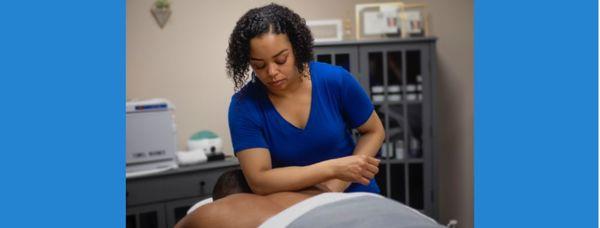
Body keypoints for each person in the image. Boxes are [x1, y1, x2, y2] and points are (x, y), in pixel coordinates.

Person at [226, 3, 385, 195]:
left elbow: (374, 131)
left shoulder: (335, 80)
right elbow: (260, 181)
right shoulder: (244, 106)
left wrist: (339, 182)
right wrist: (332, 170)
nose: (272, 72)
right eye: (259, 65)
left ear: (296, 48)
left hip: (354, 191)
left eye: (281, 60)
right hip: (295, 205)